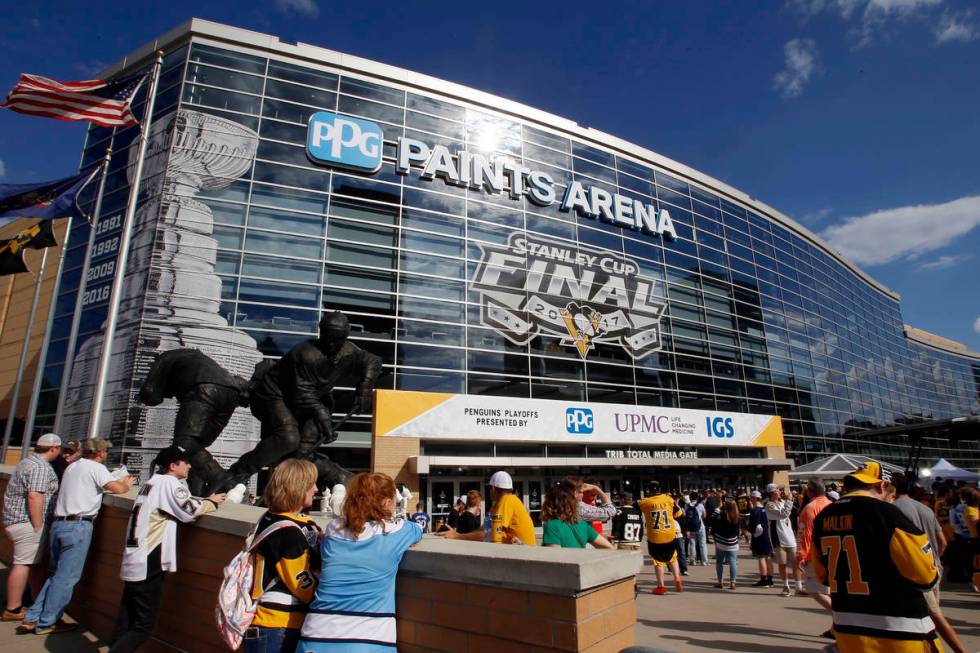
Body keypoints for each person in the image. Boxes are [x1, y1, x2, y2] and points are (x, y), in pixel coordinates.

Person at [228, 312, 383, 489]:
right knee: (288, 439)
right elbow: (302, 394)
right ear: (321, 332)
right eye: (328, 337)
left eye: (338, 339)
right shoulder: (305, 354)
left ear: (345, 337)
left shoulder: (349, 351)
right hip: (276, 395)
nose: (332, 344)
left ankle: (343, 479)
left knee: (303, 453)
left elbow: (373, 361)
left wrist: (365, 387)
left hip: (314, 399)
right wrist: (323, 417)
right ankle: (235, 475)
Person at [811, 461, 943, 653]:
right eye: (892, 493)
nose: (893, 497)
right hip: (901, 630)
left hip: (849, 630)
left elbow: (822, 574)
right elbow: (925, 577)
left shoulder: (824, 517)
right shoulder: (888, 514)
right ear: (882, 485)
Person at [109, 445, 226, 652]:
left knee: (127, 617)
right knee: (143, 626)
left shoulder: (151, 483)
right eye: (185, 462)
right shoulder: (171, 484)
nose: (189, 466)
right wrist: (212, 502)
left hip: (135, 557)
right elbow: (190, 510)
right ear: (173, 466)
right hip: (149, 559)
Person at [19, 438, 136, 635]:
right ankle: (47, 621)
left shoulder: (73, 467)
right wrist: (126, 484)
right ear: (99, 454)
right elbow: (118, 489)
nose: (106, 454)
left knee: (56, 575)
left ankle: (33, 616)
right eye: (104, 452)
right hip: (78, 526)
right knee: (66, 578)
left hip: (59, 524)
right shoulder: (95, 467)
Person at [296, 472, 422, 651]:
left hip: (316, 637)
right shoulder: (394, 533)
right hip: (369, 641)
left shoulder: (333, 530)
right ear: (386, 503)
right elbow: (417, 528)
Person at [139, 348, 251, 495]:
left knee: (184, 442)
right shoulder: (199, 359)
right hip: (231, 394)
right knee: (194, 447)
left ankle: (218, 476)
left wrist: (149, 390)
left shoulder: (165, 357)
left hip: (204, 387)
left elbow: (150, 395)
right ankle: (197, 491)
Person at [243, 458, 321, 653]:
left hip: (268, 625)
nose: (316, 489)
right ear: (298, 487)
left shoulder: (270, 518)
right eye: (311, 484)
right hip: (277, 626)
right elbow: (301, 584)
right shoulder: (288, 533)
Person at [892, 473, 965, 653]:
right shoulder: (925, 508)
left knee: (931, 619)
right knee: (930, 618)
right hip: (933, 567)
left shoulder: (893, 510)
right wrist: (935, 559)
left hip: (915, 572)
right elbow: (942, 541)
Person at [2, 433, 61, 622]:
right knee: (23, 563)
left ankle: (35, 601)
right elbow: (34, 495)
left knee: (32, 564)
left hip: (16, 520)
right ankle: (13, 608)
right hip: (28, 523)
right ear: (53, 449)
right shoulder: (40, 467)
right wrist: (38, 525)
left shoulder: (27, 461)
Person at [437, 471, 535, 545]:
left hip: (523, 557)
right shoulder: (498, 505)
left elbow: (488, 535)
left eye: (489, 488)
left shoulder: (507, 500)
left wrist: (458, 536)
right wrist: (456, 533)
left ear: (493, 489)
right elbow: (483, 530)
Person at [796, 480, 833, 638]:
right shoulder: (831, 504)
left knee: (814, 589)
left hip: (817, 554)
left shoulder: (809, 509)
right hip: (833, 550)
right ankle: (835, 628)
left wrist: (802, 555)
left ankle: (842, 616)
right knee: (830, 590)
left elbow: (806, 535)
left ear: (809, 492)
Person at [637, 481, 684, 595]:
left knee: (658, 562)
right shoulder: (669, 499)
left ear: (649, 491)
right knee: (672, 558)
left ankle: (661, 586)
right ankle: (677, 577)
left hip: (655, 537)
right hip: (669, 535)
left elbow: (633, 507)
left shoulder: (645, 502)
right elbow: (679, 514)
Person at [541, 480, 613, 549]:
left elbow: (555, 558)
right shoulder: (583, 524)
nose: (581, 495)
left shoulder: (552, 525)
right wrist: (597, 489)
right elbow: (610, 547)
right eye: (580, 492)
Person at [765, 483, 801, 596]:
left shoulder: (782, 502)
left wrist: (790, 502)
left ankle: (798, 587)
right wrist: (790, 501)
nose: (780, 492)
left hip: (790, 537)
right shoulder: (769, 505)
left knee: (796, 563)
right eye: (777, 490)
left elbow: (792, 513)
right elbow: (783, 514)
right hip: (779, 539)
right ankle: (786, 586)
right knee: (782, 563)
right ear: (772, 492)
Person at [710, 497, 740, 589]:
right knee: (733, 562)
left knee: (719, 562)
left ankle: (720, 581)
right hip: (732, 542)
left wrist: (718, 509)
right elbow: (737, 530)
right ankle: (733, 582)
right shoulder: (736, 516)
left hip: (721, 541)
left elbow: (712, 519)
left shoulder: (721, 515)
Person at [746, 490, 773, 586]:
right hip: (766, 535)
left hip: (759, 536)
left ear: (754, 498)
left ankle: (763, 579)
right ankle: (770, 579)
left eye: (751, 498)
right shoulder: (765, 509)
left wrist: (748, 529)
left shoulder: (755, 510)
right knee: (768, 557)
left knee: (761, 557)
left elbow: (753, 525)